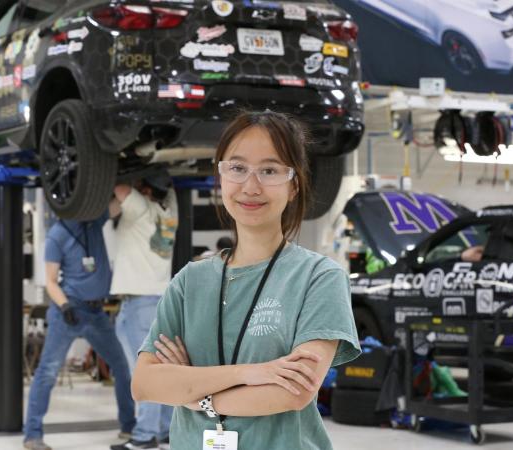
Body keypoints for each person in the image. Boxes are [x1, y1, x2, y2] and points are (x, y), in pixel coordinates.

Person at [132, 111, 361, 449]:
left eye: (269, 171)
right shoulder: (189, 282)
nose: (251, 186)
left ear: (294, 184)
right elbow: (145, 383)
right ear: (221, 176)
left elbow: (293, 391)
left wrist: (195, 392)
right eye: (237, 168)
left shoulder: (319, 278)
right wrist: (248, 373)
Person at [23, 212, 135, 450]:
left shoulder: (93, 222)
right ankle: (32, 436)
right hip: (69, 311)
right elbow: (51, 281)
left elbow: (114, 205)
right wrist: (64, 306)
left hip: (97, 313)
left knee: (122, 366)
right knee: (47, 372)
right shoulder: (57, 235)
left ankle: (129, 425)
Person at [110, 173, 178, 450]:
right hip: (157, 301)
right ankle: (163, 430)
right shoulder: (170, 213)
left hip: (139, 304)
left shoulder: (140, 207)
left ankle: (144, 435)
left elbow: (120, 187)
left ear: (145, 189)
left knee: (144, 372)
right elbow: (170, 188)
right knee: (159, 370)